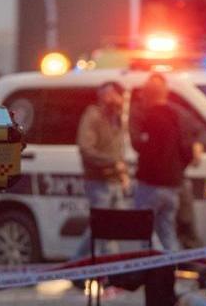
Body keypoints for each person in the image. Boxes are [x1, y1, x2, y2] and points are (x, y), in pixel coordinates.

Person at [130, 73, 195, 251]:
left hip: (152, 185)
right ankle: (170, 268)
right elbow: (187, 149)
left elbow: (145, 149)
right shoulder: (177, 117)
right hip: (173, 185)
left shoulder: (151, 119)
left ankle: (154, 268)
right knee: (167, 230)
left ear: (147, 95)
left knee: (145, 229)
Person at [74, 81, 127, 258]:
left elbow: (117, 148)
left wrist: (122, 172)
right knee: (100, 227)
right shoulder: (93, 115)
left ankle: (110, 269)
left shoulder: (116, 117)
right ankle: (78, 264)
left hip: (114, 181)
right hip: (98, 181)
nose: (112, 99)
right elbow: (86, 148)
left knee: (109, 228)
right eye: (108, 94)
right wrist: (112, 162)